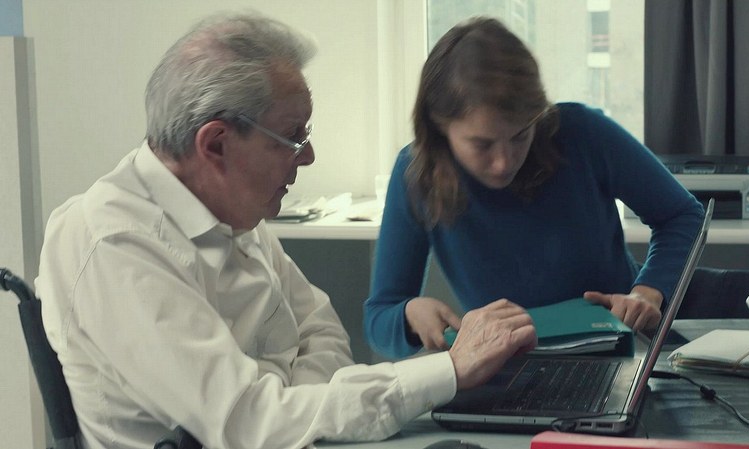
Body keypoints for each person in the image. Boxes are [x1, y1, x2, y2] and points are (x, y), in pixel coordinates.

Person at [34, 12, 537, 449]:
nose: (308, 155)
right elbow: (248, 425)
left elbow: (324, 332)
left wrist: (289, 405)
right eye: (293, 136)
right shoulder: (114, 244)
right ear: (216, 144)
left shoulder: (229, 210)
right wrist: (450, 370)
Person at [363, 16, 704, 360]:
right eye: (482, 144)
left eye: (520, 136)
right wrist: (408, 314)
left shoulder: (583, 134)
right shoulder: (416, 174)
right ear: (439, 128)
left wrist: (648, 291)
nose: (503, 162)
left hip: (620, 354)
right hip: (509, 367)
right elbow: (379, 317)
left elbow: (682, 214)